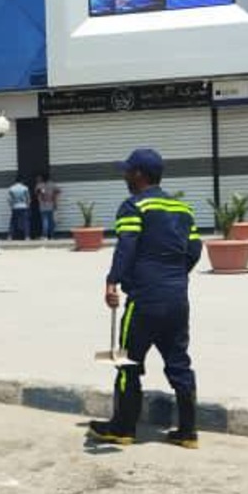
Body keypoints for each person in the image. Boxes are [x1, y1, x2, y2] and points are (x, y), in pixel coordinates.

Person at [88, 149, 203, 449]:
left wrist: (112, 281)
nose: (125, 177)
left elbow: (126, 246)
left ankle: (122, 429)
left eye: (127, 171)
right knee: (179, 363)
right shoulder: (183, 209)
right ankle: (188, 432)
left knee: (127, 362)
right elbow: (194, 249)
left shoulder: (134, 206)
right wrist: (174, 275)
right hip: (177, 299)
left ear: (138, 174)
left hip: (144, 300)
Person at [35, 173, 61, 240]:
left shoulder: (40, 185)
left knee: (44, 221)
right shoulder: (53, 185)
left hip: (43, 205)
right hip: (51, 204)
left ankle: (45, 236)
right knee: (51, 221)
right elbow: (58, 192)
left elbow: (37, 194)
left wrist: (40, 201)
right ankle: (52, 236)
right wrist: (55, 203)